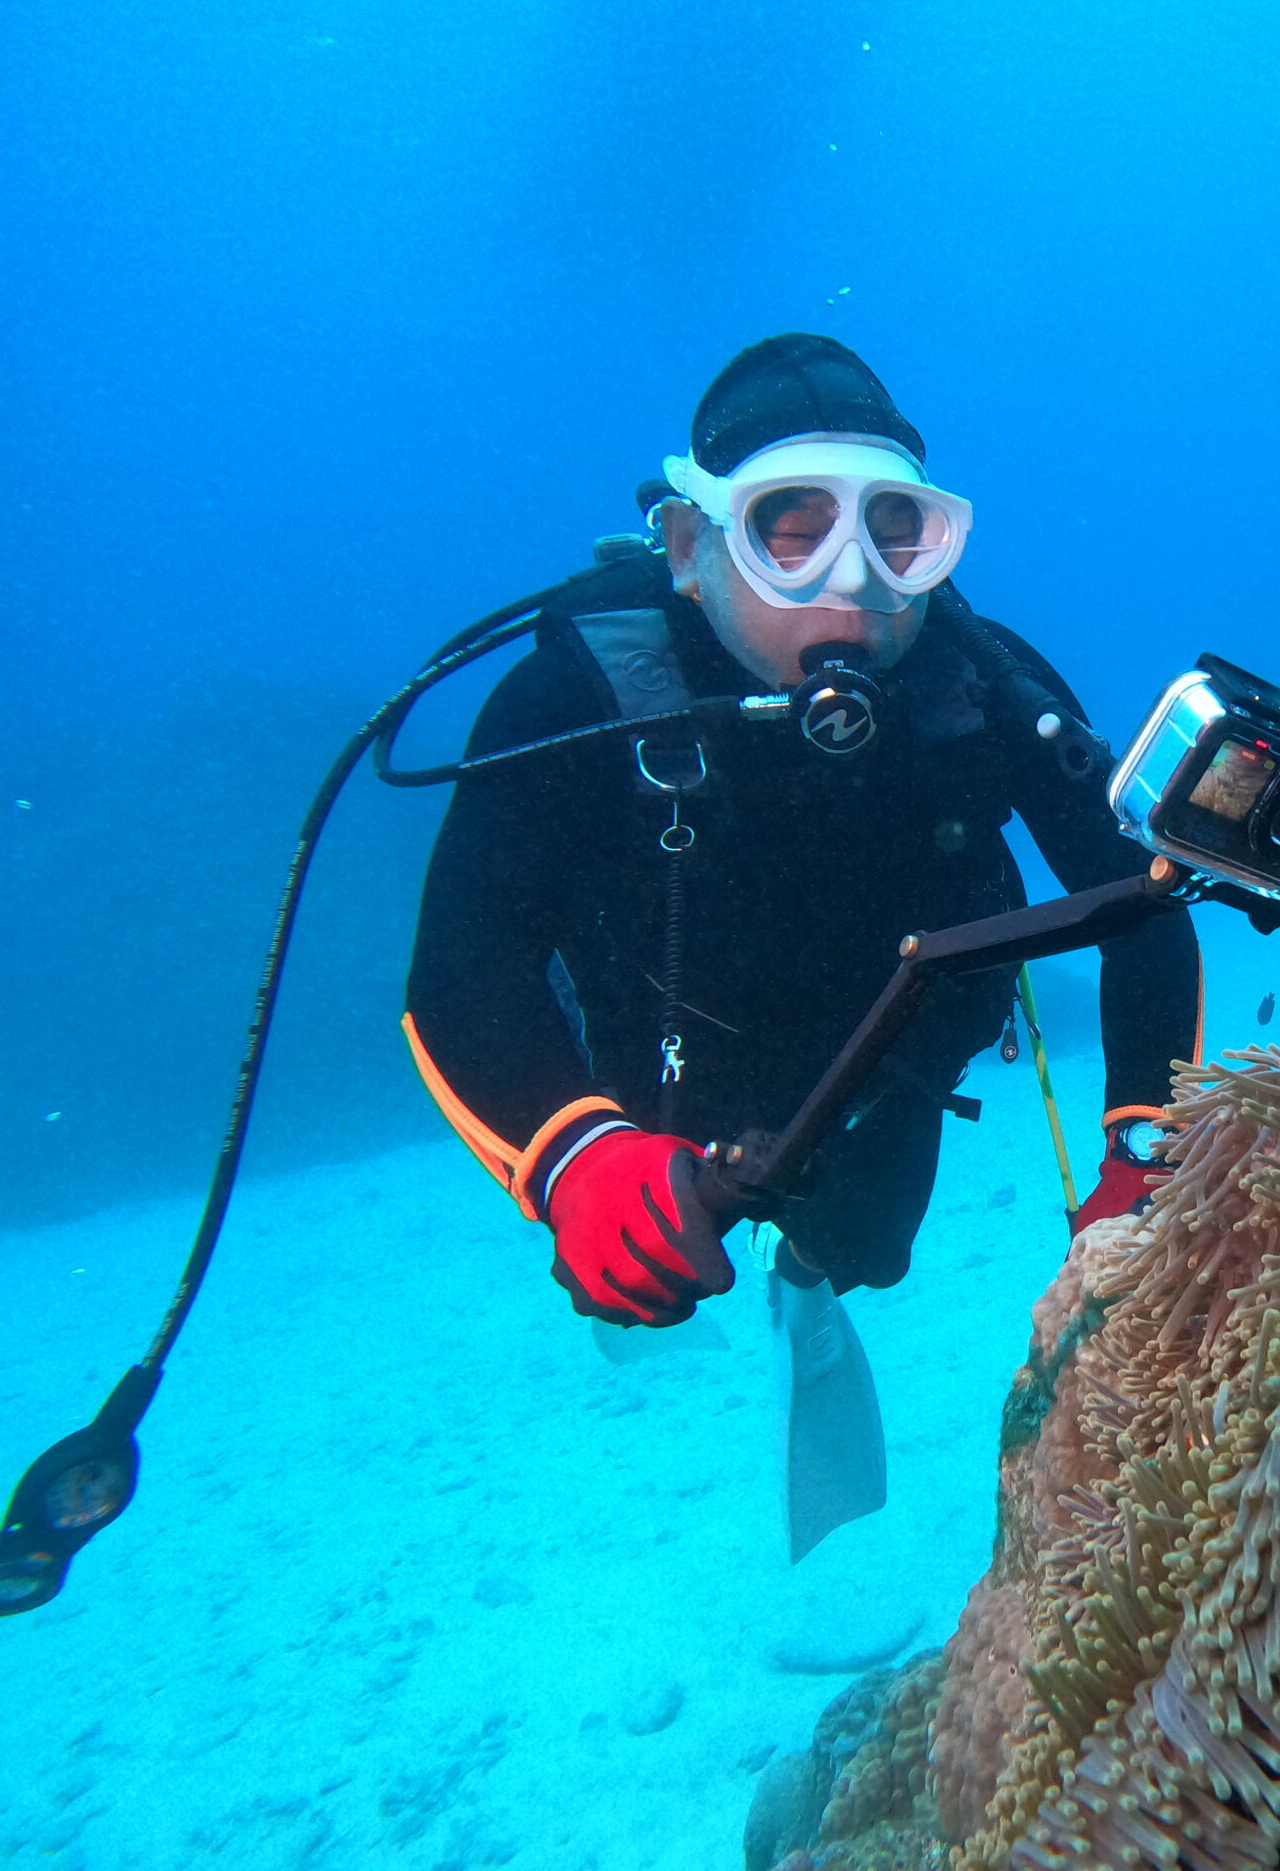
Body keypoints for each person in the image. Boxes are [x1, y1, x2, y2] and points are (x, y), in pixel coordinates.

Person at [402, 334, 1202, 1340]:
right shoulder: (578, 697)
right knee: (646, 1293)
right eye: (792, 528)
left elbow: (1144, 897)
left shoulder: (984, 681)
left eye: (894, 532)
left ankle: (808, 1278)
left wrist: (1144, 1138)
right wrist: (573, 1153)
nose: (853, 579)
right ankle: (650, 1189)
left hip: (895, 1073)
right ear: (693, 548)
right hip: (657, 1090)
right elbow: (465, 964)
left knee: (863, 1255)